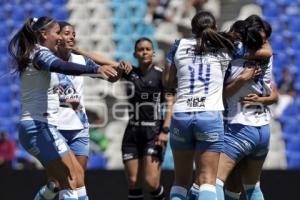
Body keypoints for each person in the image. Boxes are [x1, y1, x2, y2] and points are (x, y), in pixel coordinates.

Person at [8, 16, 120, 200]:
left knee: (74, 178)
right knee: (71, 178)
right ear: (44, 34)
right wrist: (95, 70)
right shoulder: (39, 53)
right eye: (58, 33)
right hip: (37, 127)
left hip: (43, 126)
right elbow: (61, 66)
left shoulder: (39, 53)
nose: (61, 37)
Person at [163, 11, 235, 200]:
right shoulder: (225, 48)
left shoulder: (178, 45)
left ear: (192, 28)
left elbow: (168, 82)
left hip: (181, 115)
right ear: (215, 28)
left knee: (180, 181)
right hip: (209, 115)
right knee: (207, 180)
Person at [216, 16, 278, 200]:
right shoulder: (267, 58)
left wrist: (242, 78)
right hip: (263, 130)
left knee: (213, 182)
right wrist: (263, 100)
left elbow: (223, 95)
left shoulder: (231, 58)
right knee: (251, 186)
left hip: (240, 127)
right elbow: (274, 91)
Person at [118, 37, 174, 200]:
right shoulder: (129, 73)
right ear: (135, 53)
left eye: (148, 49)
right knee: (134, 181)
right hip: (132, 132)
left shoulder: (161, 75)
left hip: (154, 132)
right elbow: (104, 62)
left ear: (153, 52)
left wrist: (165, 130)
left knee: (151, 183)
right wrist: (80, 52)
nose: (144, 52)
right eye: (141, 49)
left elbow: (171, 102)